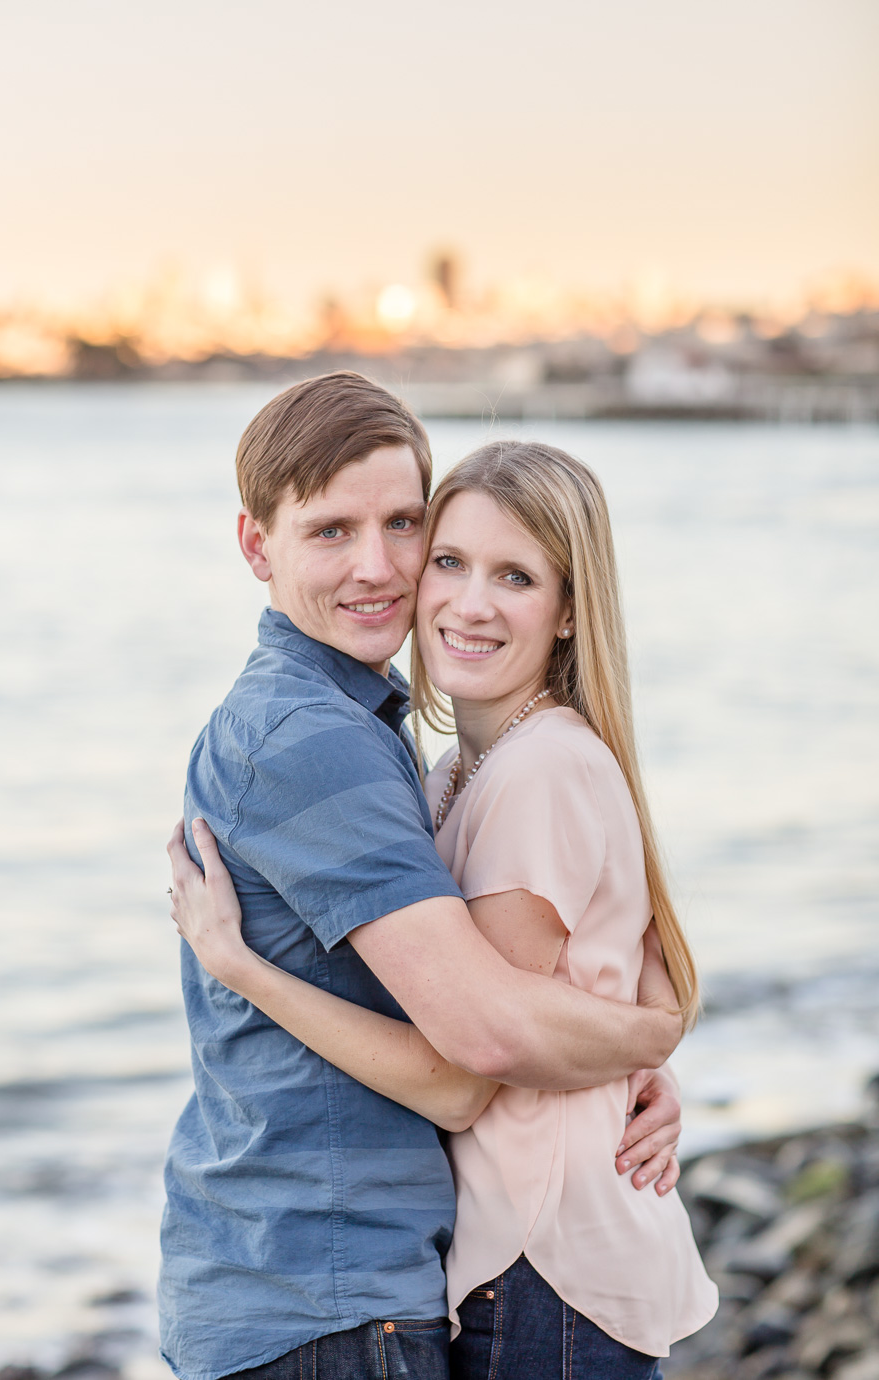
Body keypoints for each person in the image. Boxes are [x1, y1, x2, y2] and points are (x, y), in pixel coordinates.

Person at [159, 374, 687, 1380]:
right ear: (254, 546)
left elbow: (527, 1005)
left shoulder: (404, 742)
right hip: (323, 1289)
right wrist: (641, 1038)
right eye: (330, 532)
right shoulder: (324, 739)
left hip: (349, 1282)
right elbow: (472, 1058)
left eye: (402, 525)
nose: (378, 567)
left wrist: (635, 1052)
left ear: (570, 609)